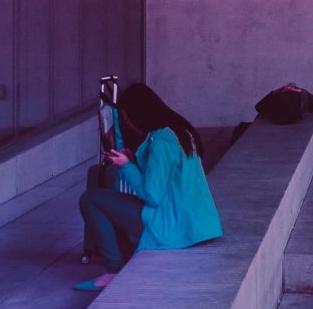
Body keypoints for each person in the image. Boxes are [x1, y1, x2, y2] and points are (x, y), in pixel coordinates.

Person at [77, 83, 223, 289]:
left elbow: (152, 194)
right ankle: (117, 254)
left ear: (140, 114)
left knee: (91, 198)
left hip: (171, 223)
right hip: (193, 221)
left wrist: (127, 166)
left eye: (128, 120)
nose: (128, 125)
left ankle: (112, 270)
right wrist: (132, 161)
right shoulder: (180, 132)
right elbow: (166, 179)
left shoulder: (161, 141)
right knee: (106, 198)